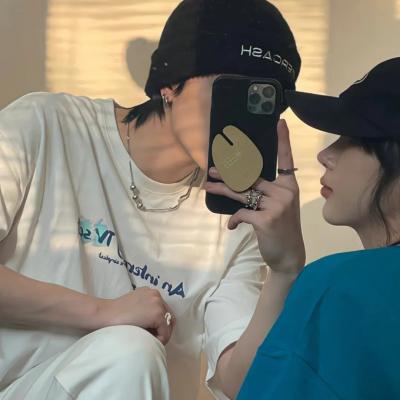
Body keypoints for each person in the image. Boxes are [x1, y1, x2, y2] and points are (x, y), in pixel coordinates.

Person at [0, 0, 303, 399]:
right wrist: (104, 313)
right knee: (130, 351)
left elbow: (239, 382)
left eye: (261, 104)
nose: (238, 122)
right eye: (230, 92)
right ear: (170, 84)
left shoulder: (236, 217)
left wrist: (285, 270)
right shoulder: (47, 125)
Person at [207, 57, 400, 399]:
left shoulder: (339, 289)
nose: (326, 154)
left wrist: (288, 273)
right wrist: (285, 269)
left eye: (355, 138)